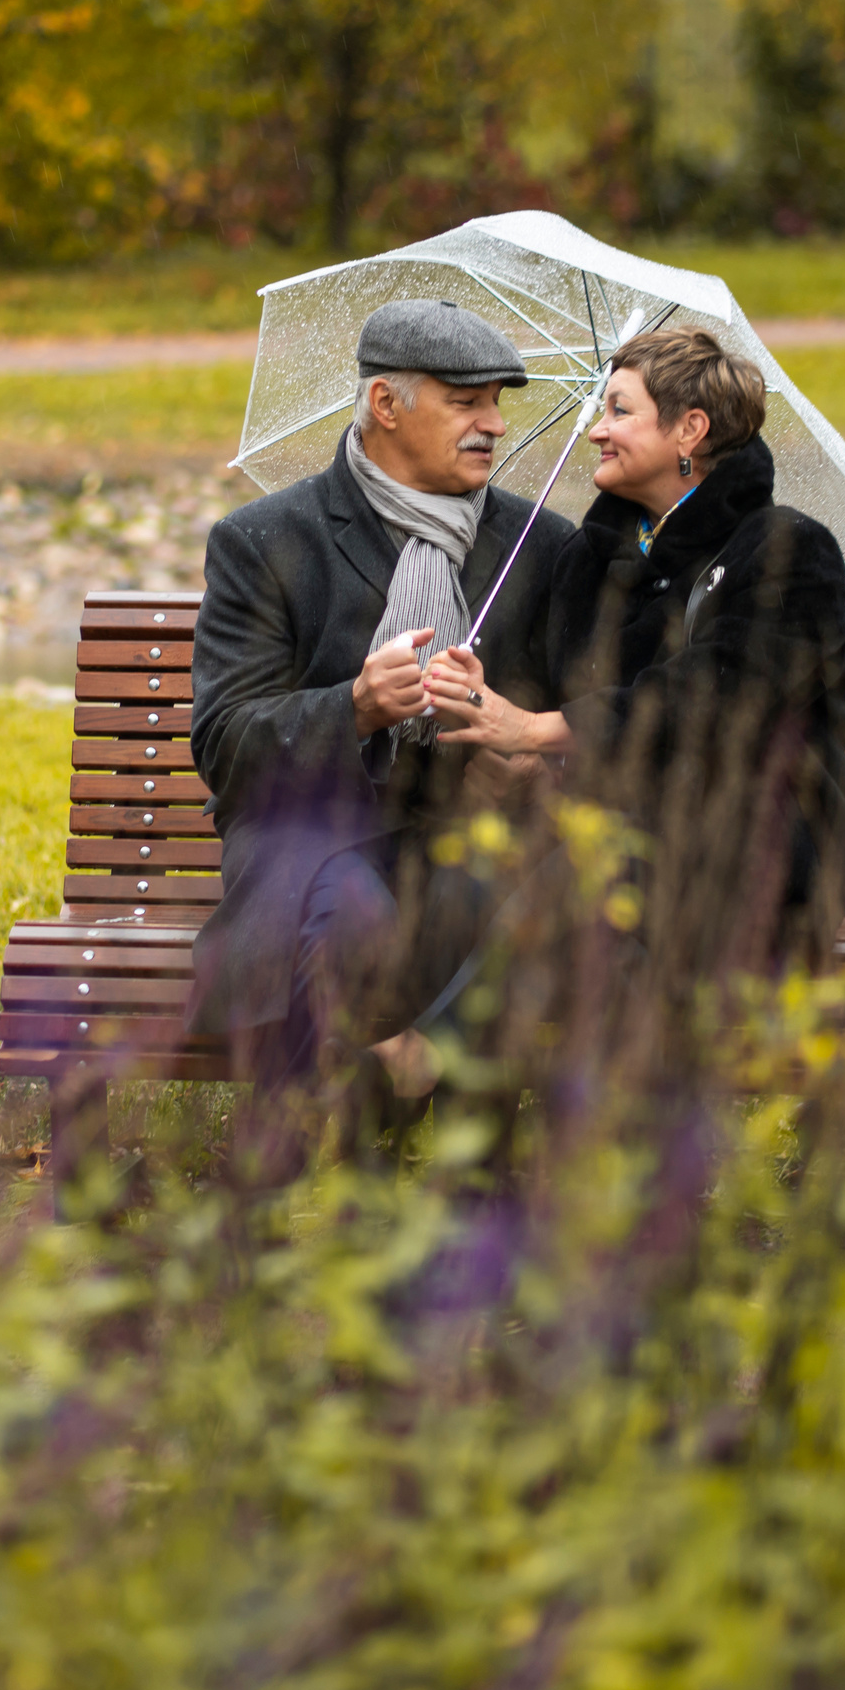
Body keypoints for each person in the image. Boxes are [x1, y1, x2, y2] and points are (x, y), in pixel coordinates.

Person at [186, 299, 575, 1119]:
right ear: (385, 405)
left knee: (490, 897)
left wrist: (522, 755)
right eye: (467, 402)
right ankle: (323, 1145)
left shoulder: (540, 547)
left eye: (499, 402)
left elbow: (581, 717)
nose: (494, 425)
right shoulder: (266, 540)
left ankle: (436, 1159)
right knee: (347, 911)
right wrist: (353, 707)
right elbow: (225, 744)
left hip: (467, 839)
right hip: (312, 833)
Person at [423, 325, 845, 998]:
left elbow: (710, 698)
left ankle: (420, 1060)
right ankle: (453, 1087)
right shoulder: (591, 556)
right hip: (602, 842)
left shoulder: (785, 550)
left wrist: (537, 728)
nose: (598, 430)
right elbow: (545, 684)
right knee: (470, 890)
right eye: (602, 410)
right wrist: (489, 709)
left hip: (755, 852)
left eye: (620, 410)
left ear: (690, 430)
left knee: (603, 897)